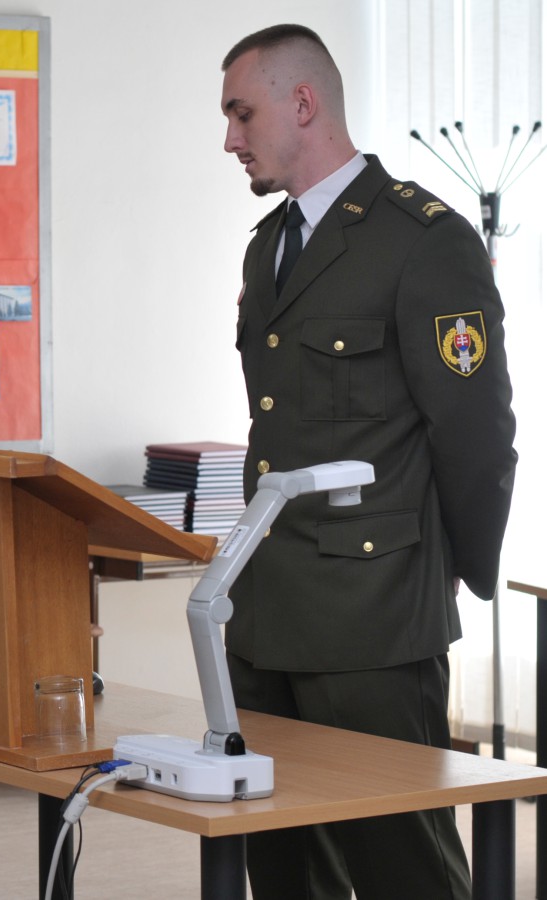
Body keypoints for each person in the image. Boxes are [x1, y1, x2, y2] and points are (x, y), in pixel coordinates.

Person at [219, 25, 515, 900]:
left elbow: (474, 433)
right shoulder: (268, 245)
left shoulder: (423, 240)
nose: (229, 139)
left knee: (403, 869)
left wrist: (452, 571)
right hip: (265, 611)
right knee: (281, 868)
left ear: (302, 103)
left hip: (374, 618)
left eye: (241, 113)